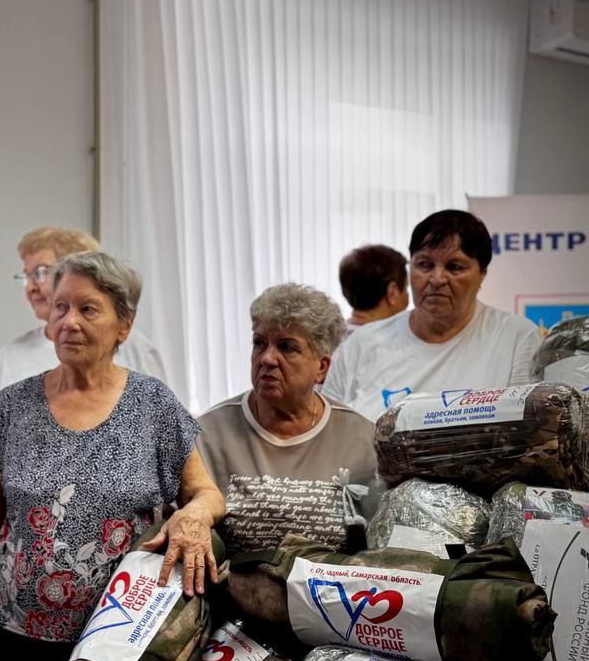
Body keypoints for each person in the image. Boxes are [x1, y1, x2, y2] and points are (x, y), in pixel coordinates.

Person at [0, 250, 224, 661]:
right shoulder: (11, 408)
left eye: (87, 308)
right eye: (59, 308)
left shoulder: (153, 405)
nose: (68, 322)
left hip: (116, 638)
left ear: (123, 324)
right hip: (17, 632)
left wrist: (194, 515)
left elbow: (207, 492)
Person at [197, 283, 378, 555]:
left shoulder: (362, 439)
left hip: (333, 593)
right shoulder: (208, 434)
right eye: (260, 343)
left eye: (287, 347)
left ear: (321, 368)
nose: (268, 358)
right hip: (234, 592)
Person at [325, 209, 542, 421]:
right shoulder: (360, 347)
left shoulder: (516, 339)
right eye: (425, 265)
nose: (437, 279)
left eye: (454, 267)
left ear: (482, 274)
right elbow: (331, 436)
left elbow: (529, 436)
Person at [0, 226, 173, 417]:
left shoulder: (137, 349)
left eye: (41, 272)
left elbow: (166, 429)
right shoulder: (10, 357)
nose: (30, 287)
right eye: (27, 276)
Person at [339, 243, 408, 332]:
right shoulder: (390, 344)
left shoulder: (333, 339)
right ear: (392, 293)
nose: (408, 298)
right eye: (406, 289)